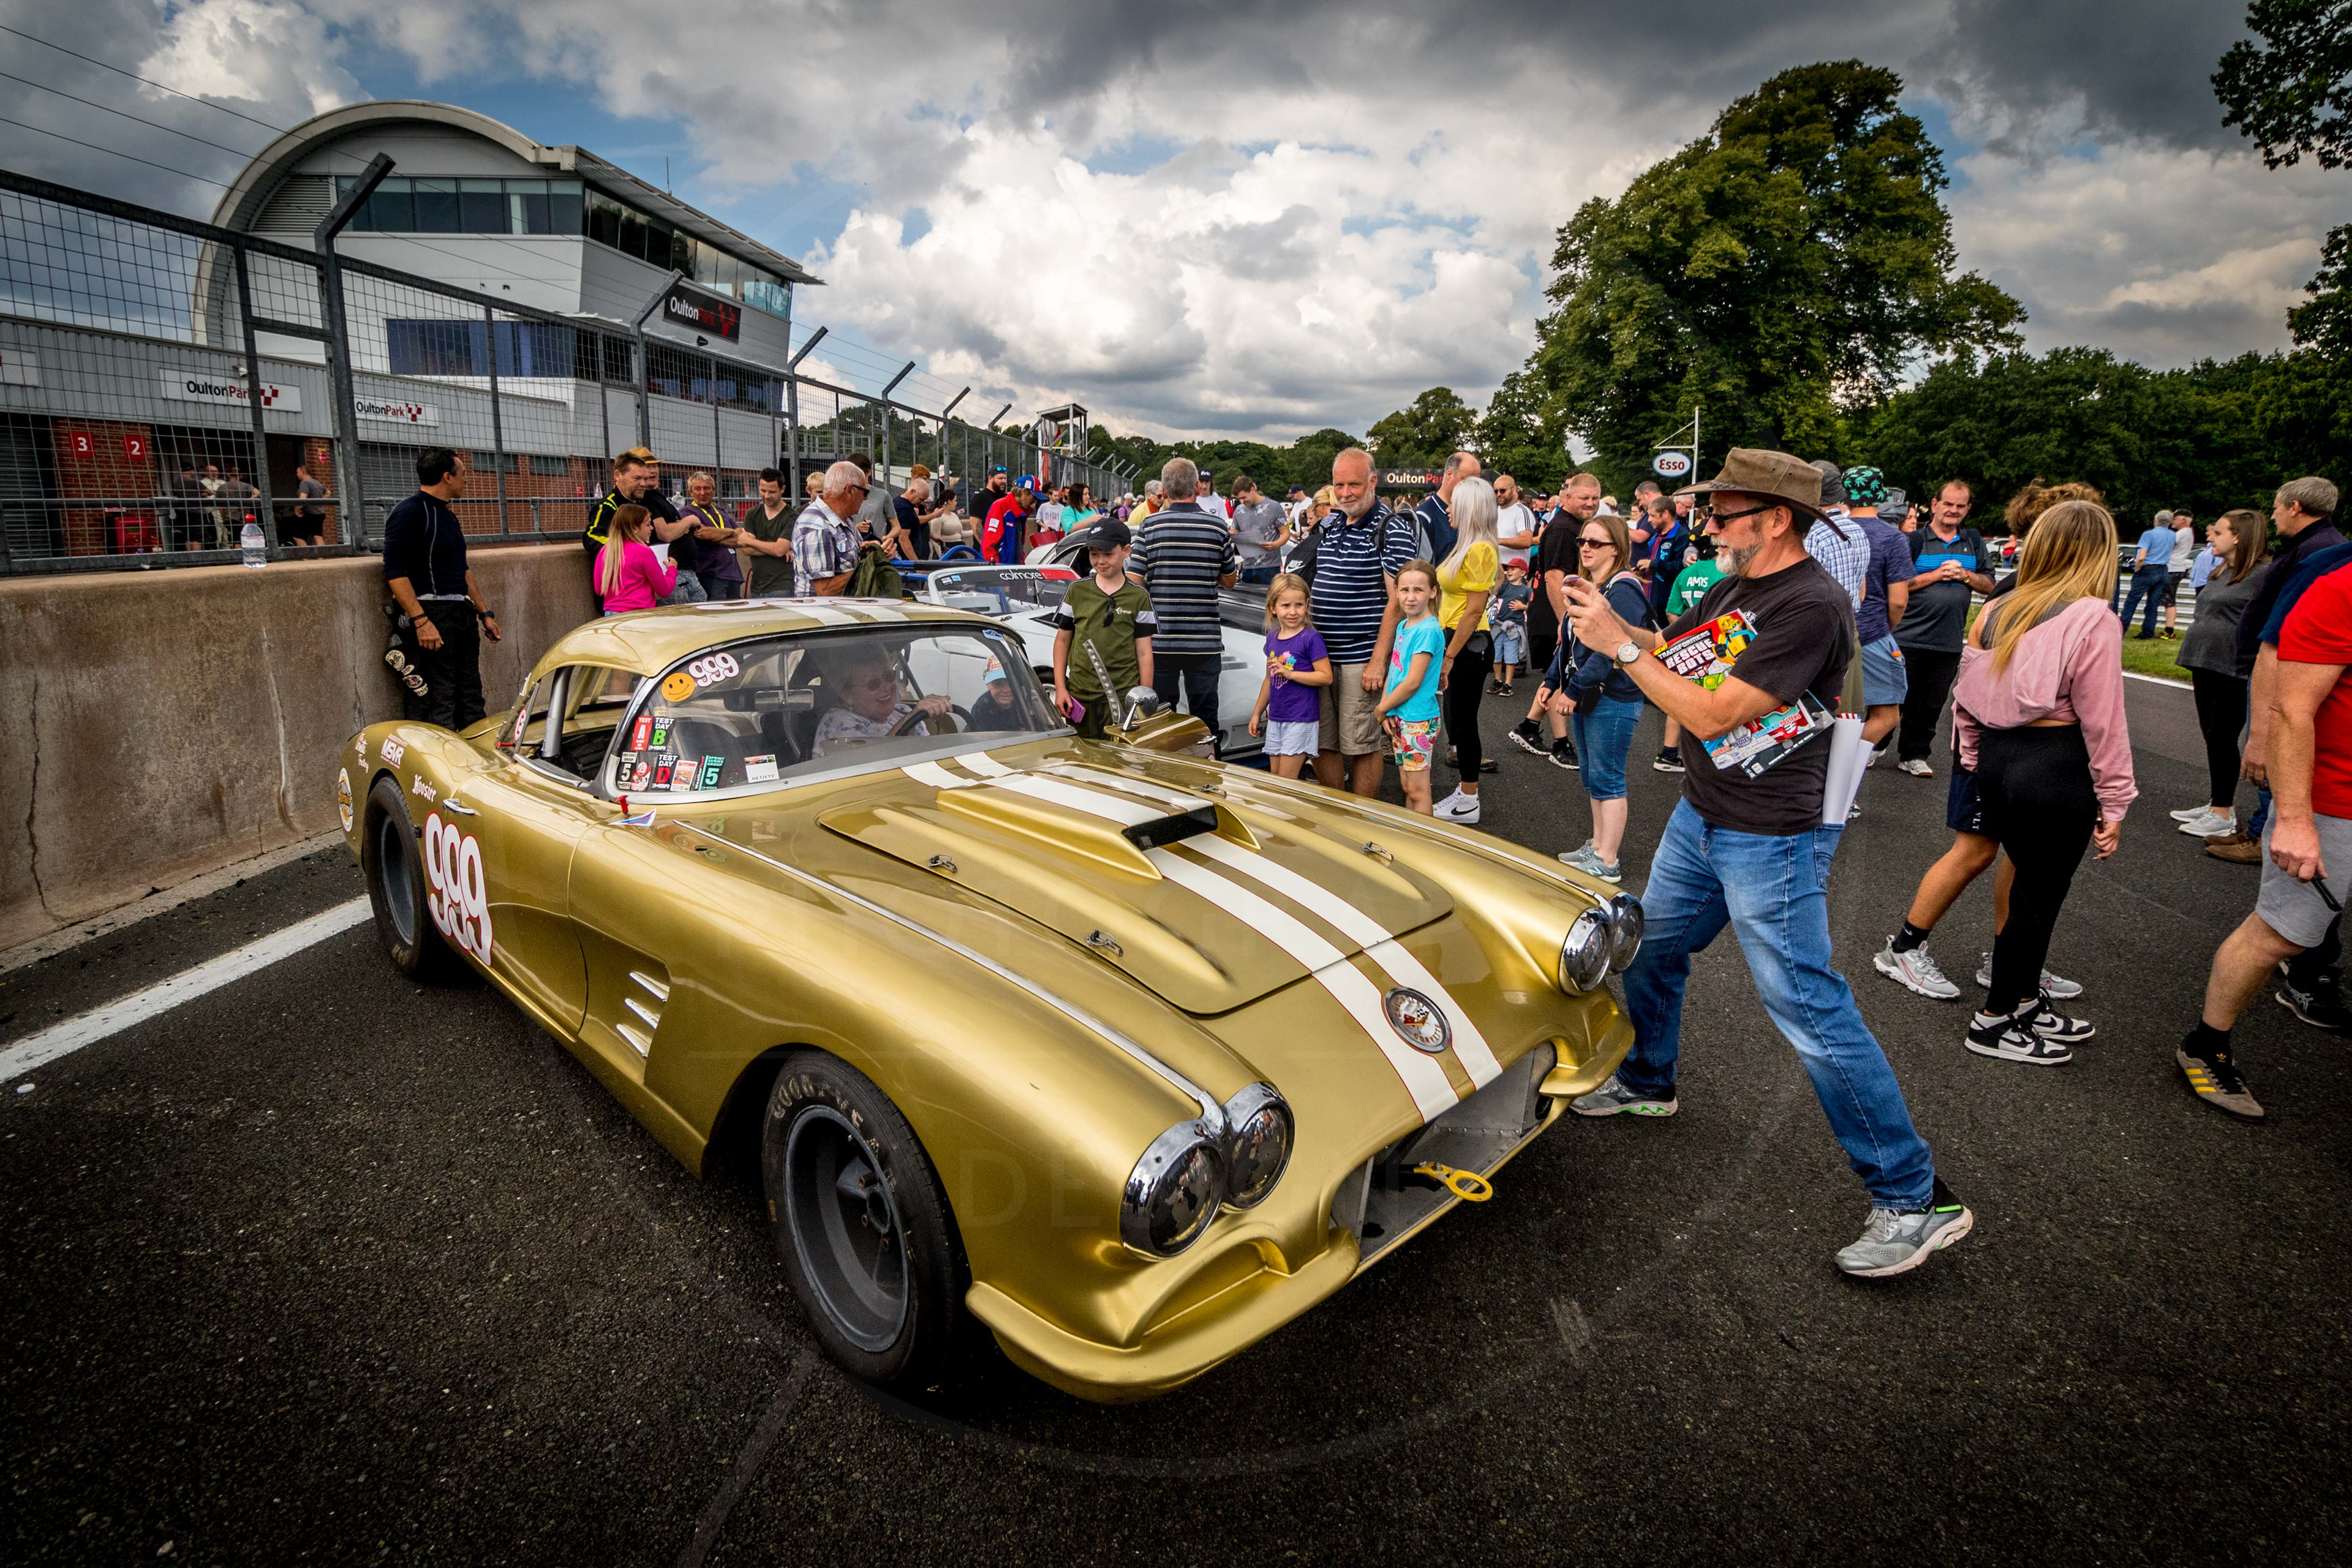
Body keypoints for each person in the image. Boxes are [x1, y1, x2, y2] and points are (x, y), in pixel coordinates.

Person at [1563, 447, 1970, 1278]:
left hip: (1771, 834)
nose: (1709, 526)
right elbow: (1676, 655)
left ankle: (1913, 1196)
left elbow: (1715, 715)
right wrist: (1615, 628)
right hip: (1704, 815)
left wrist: (1620, 650)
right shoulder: (1735, 585)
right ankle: (1648, 1080)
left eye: (1724, 514)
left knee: (1808, 1007)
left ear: (1776, 519)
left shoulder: (1812, 606)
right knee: (1652, 948)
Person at [1950, 501, 2132, 1064]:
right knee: (2037, 900)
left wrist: (1975, 758)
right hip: (2054, 764)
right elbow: (2105, 720)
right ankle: (1994, 1019)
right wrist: (2116, 799)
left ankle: (2024, 1000)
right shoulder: (2093, 617)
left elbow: (1965, 698)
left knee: (2029, 889)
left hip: (1999, 760)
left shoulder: (1995, 608)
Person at [2174, 552, 2352, 1116]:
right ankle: (2206, 1045)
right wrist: (2295, 819)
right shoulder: (2339, 589)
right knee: (2282, 933)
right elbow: (2293, 709)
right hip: (2334, 800)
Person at [2209, 478, 2348, 869]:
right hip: (2276, 663)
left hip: (2286, 669)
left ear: (2295, 507)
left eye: (2275, 507)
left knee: (2273, 759)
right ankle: (2261, 827)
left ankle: (2267, 834)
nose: (2272, 516)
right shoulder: (2311, 547)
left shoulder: (2319, 553)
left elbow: (2280, 633)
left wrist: (2260, 732)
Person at [1310, 448, 1419, 795]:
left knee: (1362, 744)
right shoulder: (1330, 524)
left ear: (1373, 481)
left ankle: (1360, 815)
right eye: (1339, 485)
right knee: (1320, 740)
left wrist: (1378, 661)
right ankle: (1336, 810)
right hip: (1320, 657)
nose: (1345, 493)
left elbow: (1399, 602)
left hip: (1360, 658)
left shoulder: (1392, 528)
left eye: (1354, 485)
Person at [1548, 508, 1649, 881]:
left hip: (1614, 695)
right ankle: (1597, 846)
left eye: (1595, 542)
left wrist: (1573, 690)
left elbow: (1612, 649)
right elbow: (1569, 641)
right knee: (1593, 776)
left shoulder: (1623, 589)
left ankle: (1608, 860)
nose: (1585, 548)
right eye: (1582, 541)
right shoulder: (1591, 587)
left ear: (1616, 548)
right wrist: (1551, 681)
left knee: (1608, 778)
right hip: (1591, 694)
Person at [382, 447, 501, 729]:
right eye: (463, 474)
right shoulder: (409, 512)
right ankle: (437, 754)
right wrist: (422, 621)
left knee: (471, 693)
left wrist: (485, 613)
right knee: (439, 697)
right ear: (447, 477)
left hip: (460, 613)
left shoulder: (449, 515)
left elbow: (463, 570)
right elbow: (394, 572)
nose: (466, 480)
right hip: (432, 614)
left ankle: (474, 748)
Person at [2171, 510, 2269, 840]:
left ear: (2238, 537)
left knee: (2222, 736)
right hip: (2205, 662)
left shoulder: (2263, 574)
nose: (2209, 537)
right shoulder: (2221, 569)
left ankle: (2223, 814)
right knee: (2211, 735)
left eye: (2218, 532)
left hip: (2234, 668)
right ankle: (2217, 802)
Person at [1131, 458, 1238, 746]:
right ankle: (1209, 766)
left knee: (1161, 719)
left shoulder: (1150, 526)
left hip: (1160, 640)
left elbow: (1134, 581)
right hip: (1204, 641)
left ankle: (1165, 769)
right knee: (1205, 719)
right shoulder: (1218, 528)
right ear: (1197, 487)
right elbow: (1229, 581)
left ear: (1164, 491)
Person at [1892, 479, 1995, 775]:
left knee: (1930, 704)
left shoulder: (1973, 542)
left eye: (1960, 506)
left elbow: (1990, 585)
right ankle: (1875, 745)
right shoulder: (1913, 541)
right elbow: (1897, 585)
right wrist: (1936, 575)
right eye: (1948, 504)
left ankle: (1914, 754)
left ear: (1968, 509)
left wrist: (1965, 576)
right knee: (1893, 699)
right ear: (1935, 505)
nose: (1953, 510)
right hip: (1907, 636)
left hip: (1948, 640)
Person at [1509, 470, 1600, 769]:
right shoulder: (1563, 529)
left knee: (1556, 674)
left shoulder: (1572, 525)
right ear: (1568, 497)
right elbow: (1553, 578)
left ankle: (1529, 726)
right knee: (1561, 676)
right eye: (1584, 498)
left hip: (1557, 614)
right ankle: (1560, 744)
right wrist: (1565, 622)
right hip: (1554, 615)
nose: (1590, 503)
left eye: (1595, 498)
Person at [1431, 476, 1501, 823]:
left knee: (1464, 723)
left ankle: (1469, 799)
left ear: (1469, 509)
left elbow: (1474, 611)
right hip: (1456, 639)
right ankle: (1465, 794)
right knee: (1457, 722)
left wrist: (1449, 655)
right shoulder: (1468, 546)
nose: (1448, 509)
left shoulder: (1481, 550)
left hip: (1467, 644)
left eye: (1454, 504)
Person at [1050, 516, 1156, 739]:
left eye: (1108, 554)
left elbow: (1144, 652)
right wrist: (1061, 688)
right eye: (1094, 554)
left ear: (1126, 551)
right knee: (1082, 754)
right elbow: (1062, 640)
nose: (1100, 561)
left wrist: (1143, 697)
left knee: (1120, 755)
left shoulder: (1138, 597)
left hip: (1123, 697)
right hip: (1081, 696)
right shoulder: (1076, 592)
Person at [1844, 466, 1915, 762]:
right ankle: (1841, 766)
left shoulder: (1832, 531)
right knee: (1886, 715)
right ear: (1882, 496)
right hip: (1872, 631)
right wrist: (1887, 629)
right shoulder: (1891, 538)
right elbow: (1898, 600)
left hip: (1835, 631)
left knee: (1837, 711)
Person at [1376, 561, 1446, 814]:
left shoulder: (1428, 631)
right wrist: (1388, 708)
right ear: (1396, 591)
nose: (1410, 597)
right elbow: (1395, 670)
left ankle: (1424, 836)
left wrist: (1381, 709)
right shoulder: (1403, 626)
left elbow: (1413, 681)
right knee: (1408, 787)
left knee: (1418, 790)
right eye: (1404, 590)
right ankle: (1411, 832)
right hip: (1402, 716)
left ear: (1433, 592)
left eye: (1418, 590)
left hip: (1418, 719)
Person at [586, 449, 696, 607]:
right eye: (637, 479)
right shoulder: (607, 507)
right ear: (618, 475)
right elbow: (591, 537)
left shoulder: (643, 502)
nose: (644, 484)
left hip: (651, 591)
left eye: (645, 479)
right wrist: (628, 548)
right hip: (623, 599)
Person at [1653, 536, 1725, 773]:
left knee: (1680, 699)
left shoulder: (1685, 574)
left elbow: (1671, 611)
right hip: (1718, 647)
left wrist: (1687, 635)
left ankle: (1669, 753)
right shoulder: (1726, 574)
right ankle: (1712, 759)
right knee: (1716, 703)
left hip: (1688, 644)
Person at [1248, 573, 1331, 780]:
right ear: (1273, 608)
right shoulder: (1272, 638)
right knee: (1276, 780)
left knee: (1286, 782)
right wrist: (1257, 713)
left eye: (1299, 605)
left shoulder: (1311, 638)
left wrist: (1291, 674)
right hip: (1277, 718)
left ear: (1307, 605)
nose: (1293, 612)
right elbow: (1269, 680)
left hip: (1300, 718)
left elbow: (1326, 677)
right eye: (1286, 606)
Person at [813, 648, 952, 756]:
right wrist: (908, 720)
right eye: (874, 684)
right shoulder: (837, 723)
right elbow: (867, 766)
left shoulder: (902, 712)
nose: (886, 687)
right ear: (847, 695)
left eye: (889, 676)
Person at [793, 461, 867, 596]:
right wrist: (868, 568)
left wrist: (874, 551)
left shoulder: (844, 519)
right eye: (865, 492)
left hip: (841, 607)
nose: (866, 498)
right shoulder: (817, 526)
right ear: (850, 491)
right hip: (822, 609)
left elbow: (854, 557)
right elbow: (826, 590)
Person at [594, 503, 677, 614]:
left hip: (612, 615)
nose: (652, 528)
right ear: (635, 528)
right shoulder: (643, 552)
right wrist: (672, 570)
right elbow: (664, 590)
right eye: (648, 525)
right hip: (637, 615)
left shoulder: (605, 551)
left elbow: (599, 589)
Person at [677, 472, 748, 600]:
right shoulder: (687, 513)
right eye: (698, 489)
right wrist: (731, 532)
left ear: (714, 491)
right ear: (690, 492)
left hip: (733, 575)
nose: (703, 493)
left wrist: (716, 536)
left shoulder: (722, 512)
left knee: (737, 612)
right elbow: (704, 534)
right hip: (710, 576)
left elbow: (743, 537)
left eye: (707, 488)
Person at [2117, 510, 2179, 639]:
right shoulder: (2172, 535)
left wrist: (2137, 568)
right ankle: (2148, 632)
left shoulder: (2148, 535)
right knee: (2153, 603)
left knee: (2132, 601)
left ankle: (2121, 630)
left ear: (2156, 520)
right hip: (2163, 569)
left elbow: (2141, 556)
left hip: (2147, 568)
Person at [739, 469, 797, 597]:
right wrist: (776, 548)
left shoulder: (791, 516)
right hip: (757, 586)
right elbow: (747, 550)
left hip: (783, 585)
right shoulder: (752, 514)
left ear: (782, 489)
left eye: (772, 492)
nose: (766, 496)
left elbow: (779, 550)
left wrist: (750, 541)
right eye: (763, 491)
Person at [1414, 451, 1479, 565]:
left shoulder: (1475, 513)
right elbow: (1420, 567)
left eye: (1477, 482)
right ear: (1449, 475)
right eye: (1466, 480)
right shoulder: (1424, 516)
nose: (1472, 487)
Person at [1230, 474, 1291, 586]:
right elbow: (1235, 532)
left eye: (1244, 497)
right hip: (1247, 566)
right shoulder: (1239, 510)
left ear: (1252, 490)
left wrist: (1276, 544)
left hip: (1270, 567)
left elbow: (1286, 533)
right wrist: (1230, 536)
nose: (1242, 502)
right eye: (1239, 499)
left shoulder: (1274, 507)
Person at [1490, 559, 1531, 695]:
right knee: (1496, 656)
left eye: (1513, 569)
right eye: (1508, 569)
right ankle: (1498, 681)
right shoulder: (1504, 587)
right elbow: (1494, 593)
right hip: (1498, 626)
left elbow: (1534, 607)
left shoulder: (1526, 590)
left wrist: (1523, 607)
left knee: (1510, 658)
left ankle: (1508, 685)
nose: (1509, 572)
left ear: (1523, 573)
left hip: (1513, 628)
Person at [982, 481, 1035, 565]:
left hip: (1013, 568)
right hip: (1001, 568)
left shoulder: (1021, 514)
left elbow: (1019, 546)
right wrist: (996, 568)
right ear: (1024, 492)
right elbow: (988, 545)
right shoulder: (1000, 506)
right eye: (1034, 497)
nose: (1035, 502)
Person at [2163, 510, 2198, 638]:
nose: (2173, 521)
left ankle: (2169, 630)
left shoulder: (2182, 533)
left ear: (2183, 520)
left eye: (2175, 519)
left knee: (2169, 599)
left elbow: (2167, 544)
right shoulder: (2189, 533)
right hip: (2178, 567)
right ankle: (2169, 629)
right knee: (2169, 598)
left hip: (2173, 567)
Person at [1494, 473, 1538, 573]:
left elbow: (1526, 541)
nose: (1499, 494)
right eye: (1496, 491)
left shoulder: (1522, 512)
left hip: (1514, 575)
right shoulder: (1495, 511)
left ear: (1514, 490)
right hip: (1496, 572)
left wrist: (1498, 541)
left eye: (1503, 490)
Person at [285, 462, 328, 548]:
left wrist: (297, 510)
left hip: (308, 513)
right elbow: (328, 492)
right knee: (317, 536)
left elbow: (303, 498)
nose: (297, 474)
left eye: (298, 472)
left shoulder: (305, 483)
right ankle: (323, 554)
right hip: (320, 514)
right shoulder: (317, 483)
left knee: (299, 537)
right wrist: (319, 501)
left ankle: (306, 555)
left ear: (302, 472)